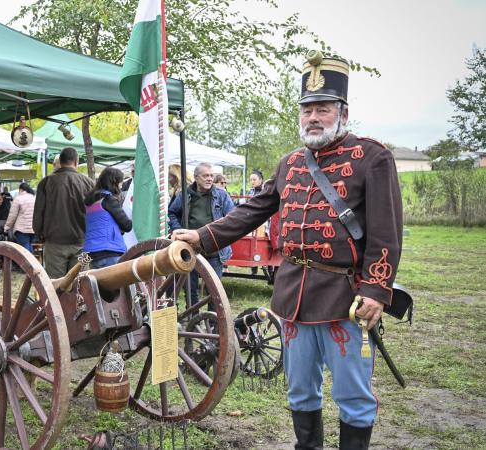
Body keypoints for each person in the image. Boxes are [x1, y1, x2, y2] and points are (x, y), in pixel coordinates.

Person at [173, 55, 402, 450]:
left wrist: (377, 291)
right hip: (292, 293)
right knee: (299, 391)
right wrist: (202, 236)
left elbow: (386, 233)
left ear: (343, 112)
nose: (313, 117)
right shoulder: (291, 163)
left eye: (322, 108)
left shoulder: (372, 158)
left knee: (352, 395)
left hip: (346, 297)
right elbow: (251, 211)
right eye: (307, 109)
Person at [167, 162, 234, 308]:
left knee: (214, 291)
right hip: (190, 249)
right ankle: (192, 319)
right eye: (205, 176)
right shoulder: (185, 195)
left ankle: (214, 322)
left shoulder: (221, 195)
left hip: (215, 250)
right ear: (196, 178)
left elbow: (232, 218)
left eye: (211, 175)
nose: (209, 179)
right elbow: (172, 212)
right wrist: (179, 230)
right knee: (190, 290)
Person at [33, 147, 94, 278]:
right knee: (80, 285)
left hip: (54, 242)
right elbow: (95, 214)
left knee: (55, 287)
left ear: (60, 161)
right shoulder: (89, 183)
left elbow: (38, 213)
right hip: (82, 243)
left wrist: (39, 234)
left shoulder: (46, 183)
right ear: (76, 162)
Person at [83, 168, 132, 269]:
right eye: (120, 183)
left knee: (98, 284)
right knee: (117, 284)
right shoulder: (109, 199)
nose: (121, 186)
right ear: (114, 183)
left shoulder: (88, 201)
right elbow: (127, 225)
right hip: (111, 251)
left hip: (92, 254)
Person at [4, 183, 36, 252]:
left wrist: (7, 227)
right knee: (29, 245)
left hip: (22, 229)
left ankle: (27, 262)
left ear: (20, 189)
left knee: (24, 250)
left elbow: (12, 215)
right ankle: (32, 261)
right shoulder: (34, 198)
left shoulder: (18, 198)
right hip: (33, 228)